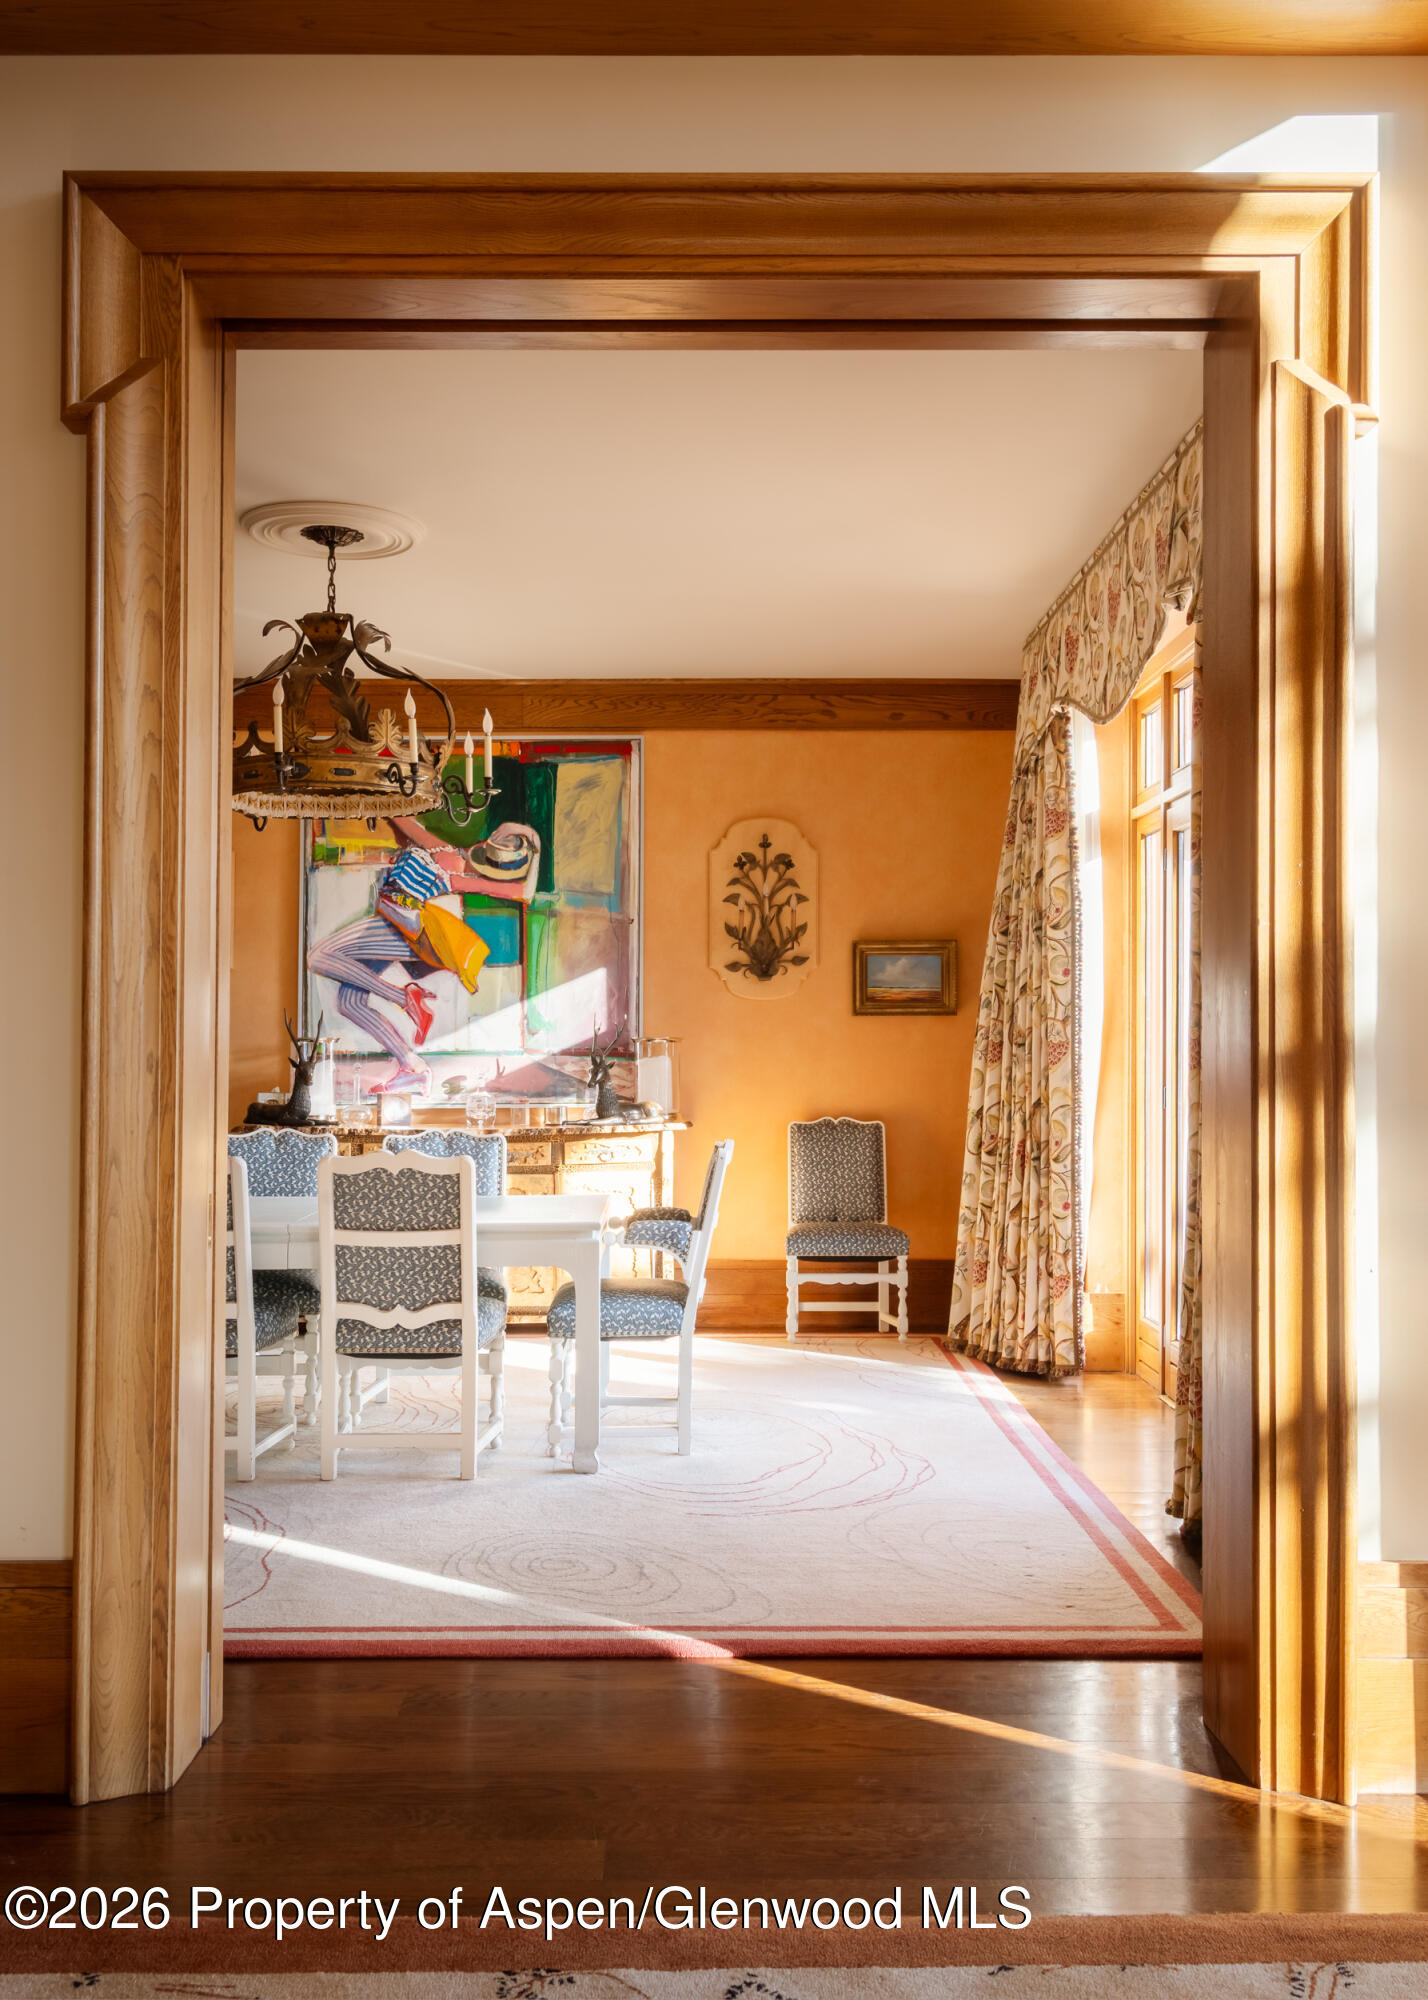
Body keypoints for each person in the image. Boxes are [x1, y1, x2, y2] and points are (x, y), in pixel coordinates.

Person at [307, 815, 539, 1094]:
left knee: (317, 957)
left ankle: (403, 997)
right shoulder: (445, 853)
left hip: (402, 929)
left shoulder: (454, 867)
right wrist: (530, 843)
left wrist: (532, 842)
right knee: (350, 1002)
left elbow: (524, 893)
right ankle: (413, 1068)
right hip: (398, 926)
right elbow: (398, 813)